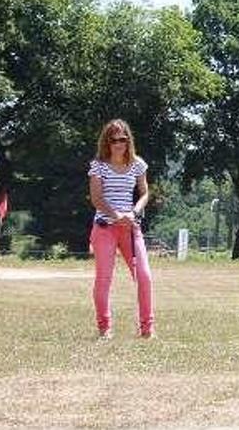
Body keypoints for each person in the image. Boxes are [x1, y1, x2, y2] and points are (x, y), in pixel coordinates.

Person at [87, 119, 154, 340]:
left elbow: (144, 193)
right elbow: (96, 198)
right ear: (107, 141)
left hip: (131, 227)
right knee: (104, 278)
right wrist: (116, 215)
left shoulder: (137, 164)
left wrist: (134, 213)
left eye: (123, 139)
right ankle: (104, 328)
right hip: (105, 227)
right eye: (114, 139)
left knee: (144, 275)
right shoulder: (98, 165)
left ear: (128, 140)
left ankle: (147, 328)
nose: (119, 143)